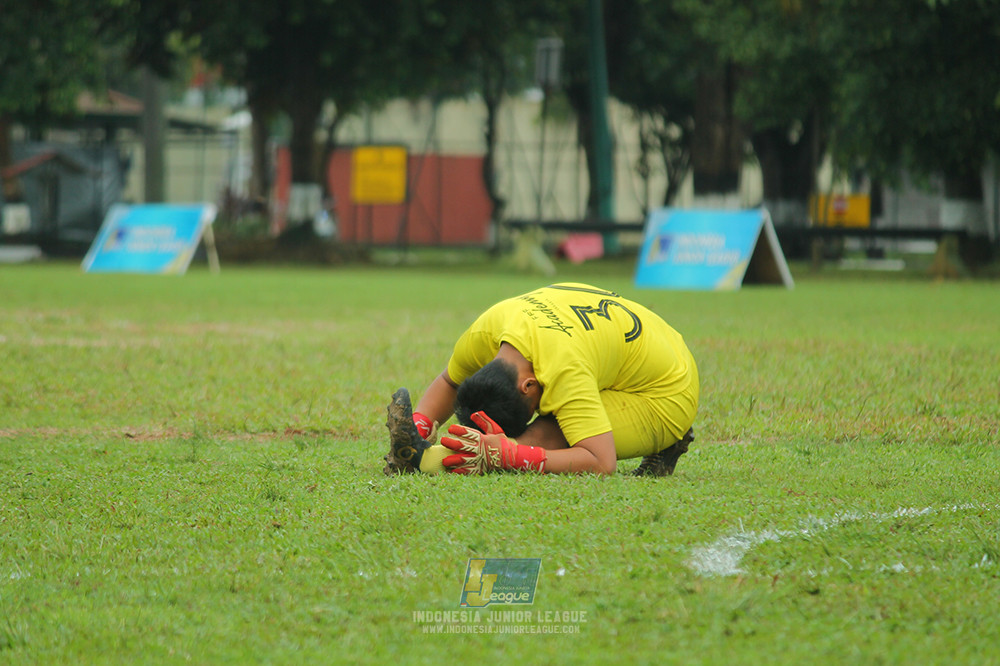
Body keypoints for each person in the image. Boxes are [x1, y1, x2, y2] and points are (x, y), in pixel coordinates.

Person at [383, 282, 698, 477]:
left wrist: (507, 453)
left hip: (667, 391)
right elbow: (451, 382)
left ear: (528, 386)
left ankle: (426, 462)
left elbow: (601, 462)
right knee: (558, 420)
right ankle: (415, 451)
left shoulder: (563, 366)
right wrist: (416, 428)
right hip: (653, 341)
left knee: (546, 432)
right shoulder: (489, 329)